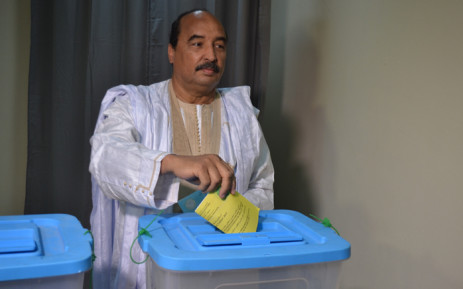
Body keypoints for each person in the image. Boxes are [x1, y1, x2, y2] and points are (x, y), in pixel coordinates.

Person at [89, 9, 274, 289]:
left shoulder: (242, 113)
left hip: (224, 265)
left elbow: (263, 184)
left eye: (220, 46)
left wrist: (233, 216)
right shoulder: (135, 104)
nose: (211, 56)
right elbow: (105, 157)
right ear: (171, 52)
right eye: (197, 44)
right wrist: (171, 162)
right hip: (153, 267)